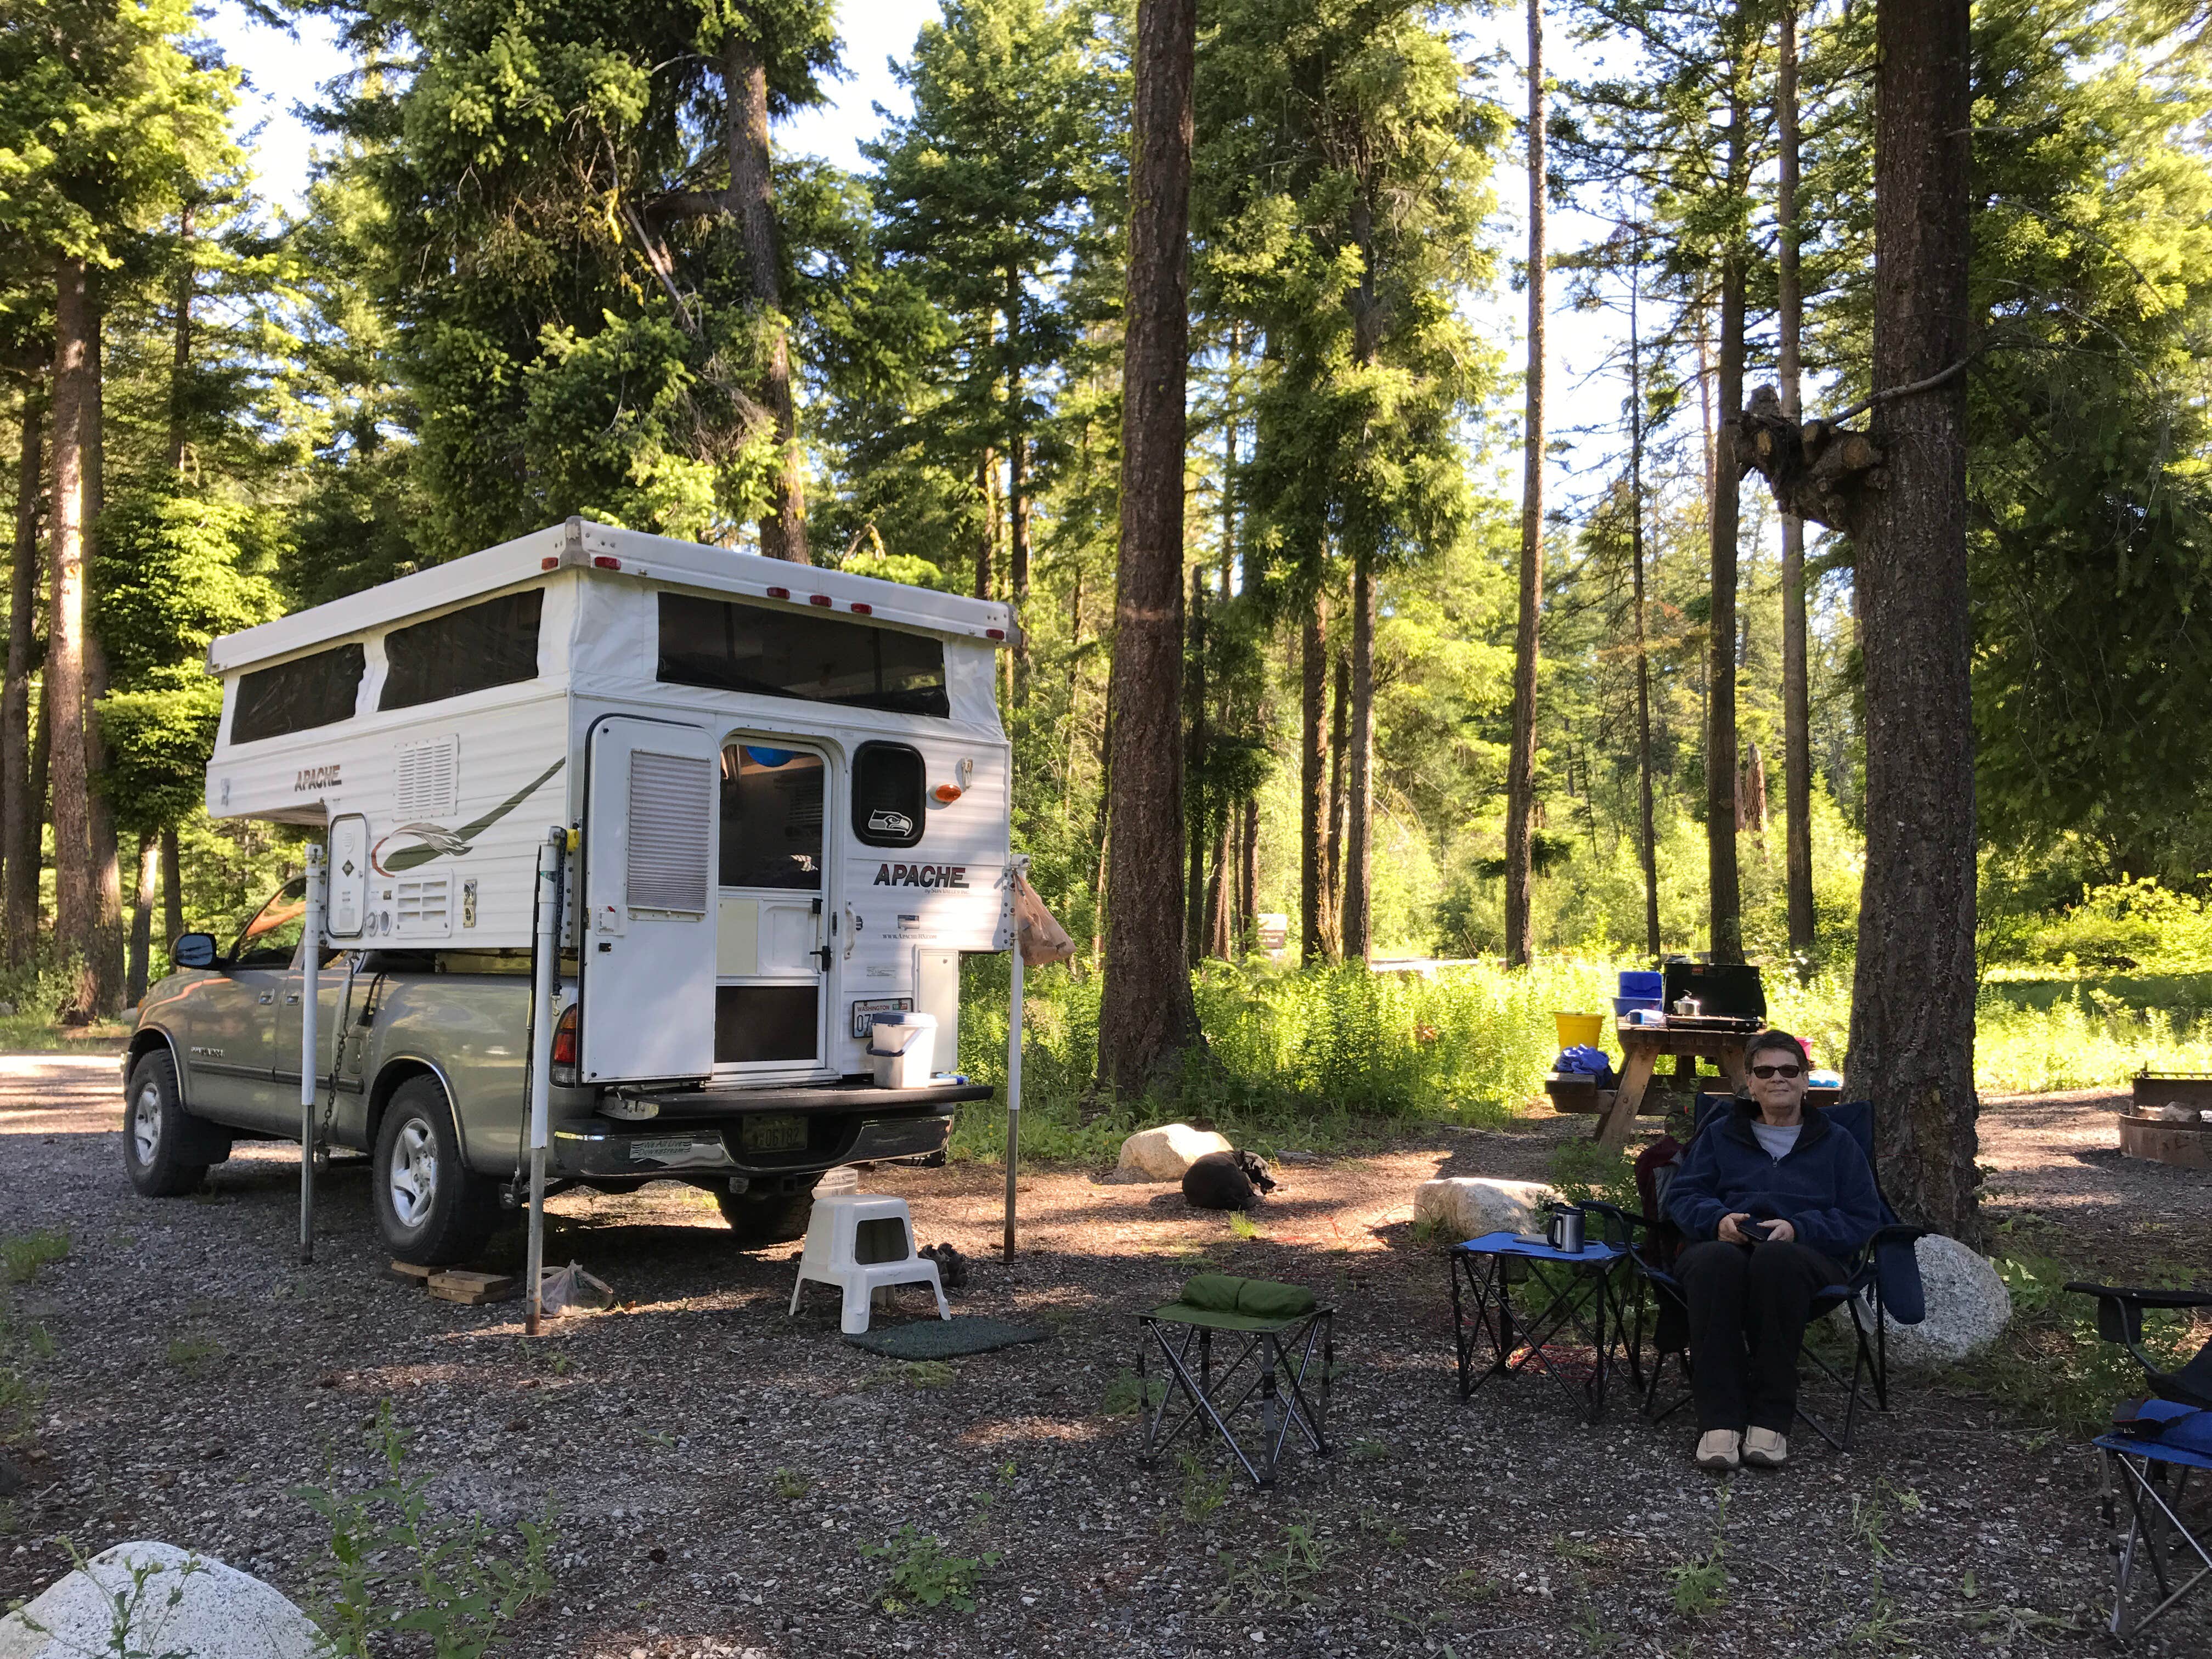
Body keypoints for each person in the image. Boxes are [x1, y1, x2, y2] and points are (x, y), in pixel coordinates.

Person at [1663, 1030, 1881, 1471]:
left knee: (1776, 1260)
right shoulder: (1721, 1134)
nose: (1777, 1079)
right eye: (1765, 1071)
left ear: (1806, 1080)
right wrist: (1717, 1220)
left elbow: (1863, 1217)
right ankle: (1719, 1422)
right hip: (1727, 1245)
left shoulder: (1838, 1142)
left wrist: (1799, 1228)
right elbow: (1683, 1196)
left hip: (1805, 1256)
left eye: (1789, 1070)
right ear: (1750, 1082)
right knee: (1714, 1261)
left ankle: (1770, 1419)